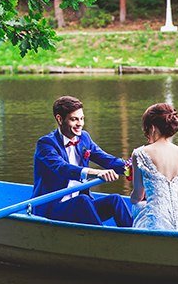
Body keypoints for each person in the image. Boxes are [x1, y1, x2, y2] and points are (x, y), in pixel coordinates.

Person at [32, 95, 133, 227]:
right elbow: (62, 168)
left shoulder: (84, 138)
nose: (80, 124)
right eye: (74, 119)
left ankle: (134, 239)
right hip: (52, 208)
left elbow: (107, 160)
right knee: (82, 201)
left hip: (80, 206)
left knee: (116, 199)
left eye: (82, 118)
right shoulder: (46, 144)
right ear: (59, 119)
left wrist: (132, 168)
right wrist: (96, 173)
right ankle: (103, 240)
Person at [129, 103, 178, 232]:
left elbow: (138, 196)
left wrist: (135, 199)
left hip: (157, 221)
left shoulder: (140, 153)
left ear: (152, 127)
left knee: (137, 206)